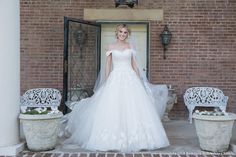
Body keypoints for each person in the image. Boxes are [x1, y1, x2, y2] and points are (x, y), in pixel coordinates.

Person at [62, 24, 170, 152]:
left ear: (127, 34)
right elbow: (108, 65)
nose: (123, 34)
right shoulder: (111, 47)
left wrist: (140, 79)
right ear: (116, 32)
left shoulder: (131, 46)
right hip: (116, 77)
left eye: (125, 32)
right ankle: (110, 140)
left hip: (130, 79)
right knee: (113, 107)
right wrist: (107, 81)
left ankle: (139, 140)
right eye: (121, 32)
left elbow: (134, 65)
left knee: (133, 107)